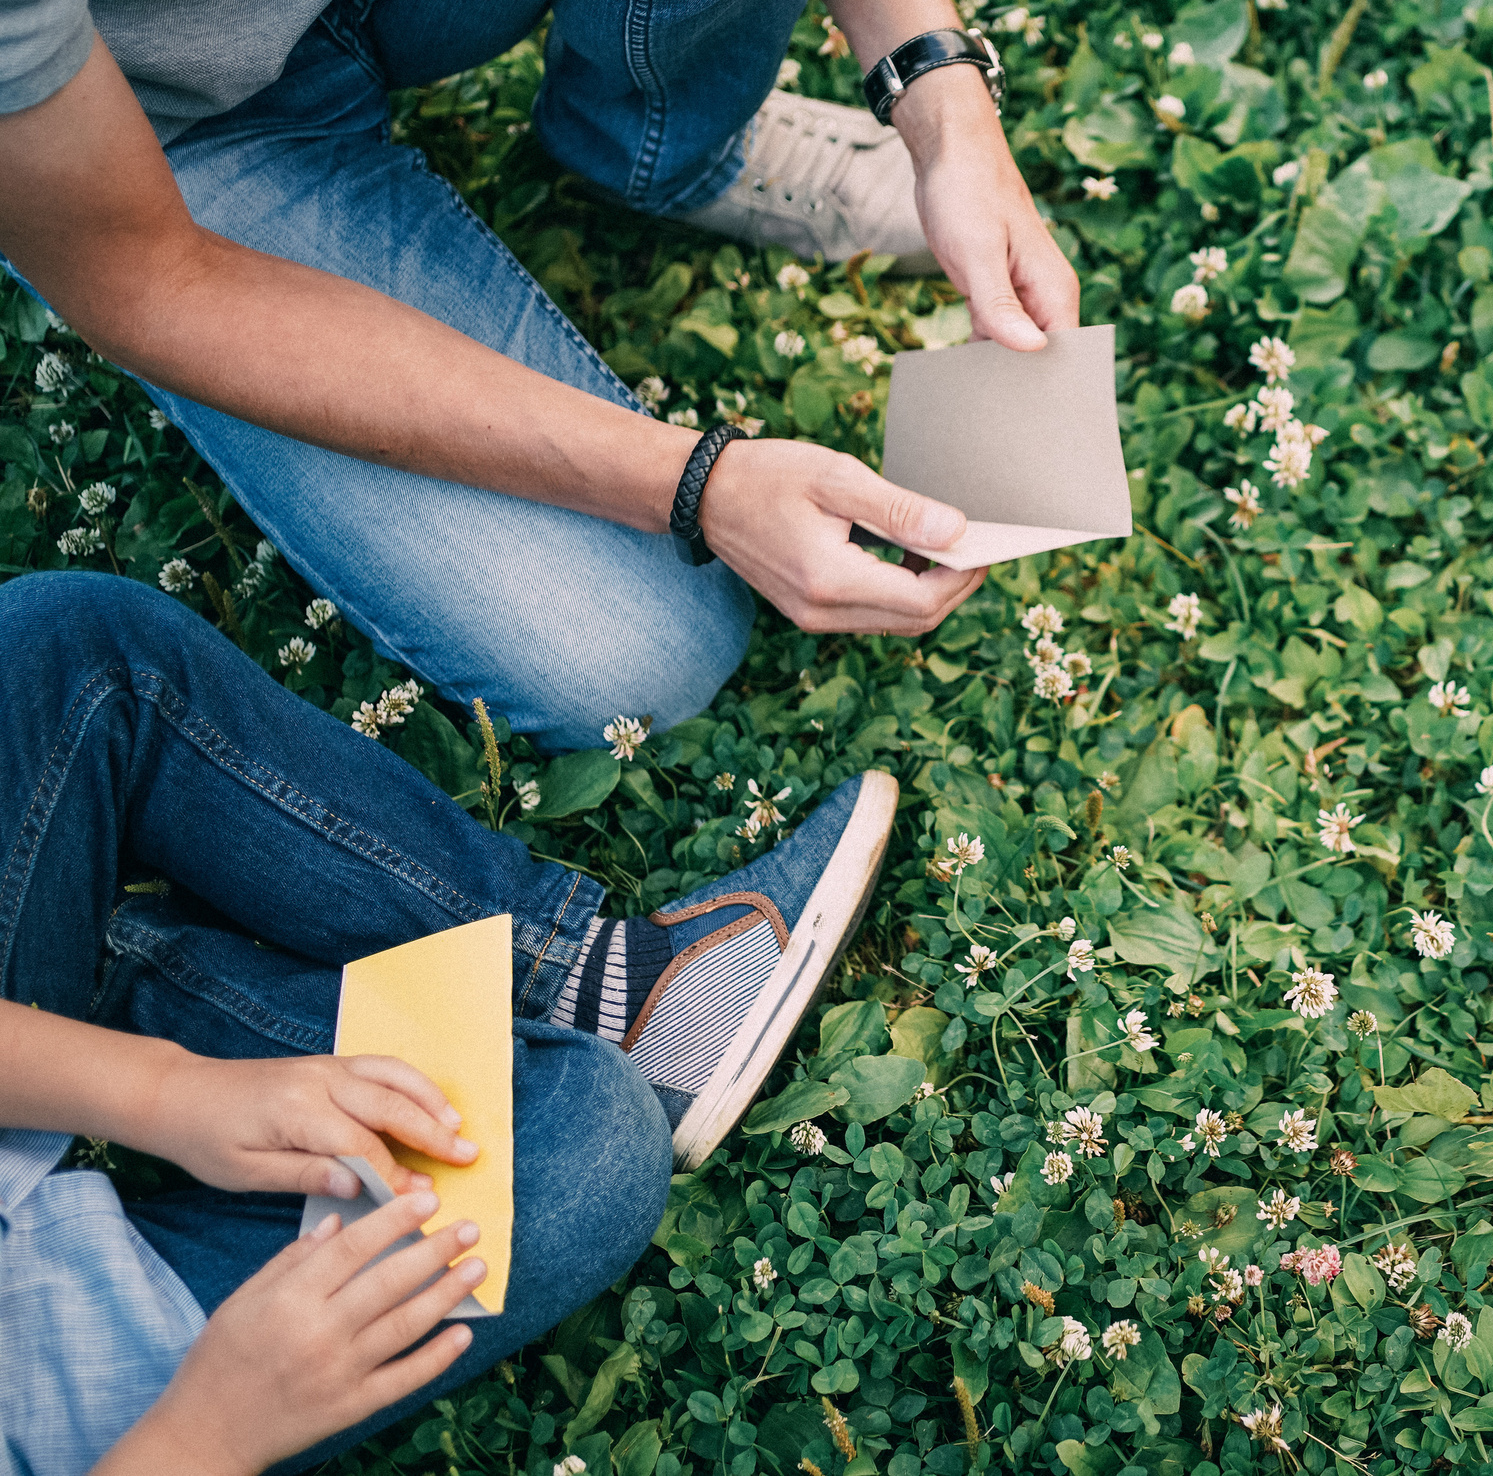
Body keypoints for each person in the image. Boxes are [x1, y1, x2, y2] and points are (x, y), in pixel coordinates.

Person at [0, 0, 1081, 751]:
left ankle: (665, 152)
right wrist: (697, 482)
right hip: (154, 129)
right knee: (629, 655)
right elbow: (155, 282)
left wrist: (945, 113)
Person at [0, 572, 897, 1476]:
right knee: (584, 1142)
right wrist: (207, 1434)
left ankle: (580, 975)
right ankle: (129, 953)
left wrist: (163, 1092)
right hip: (122, 1387)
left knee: (70, 646)